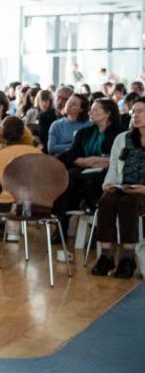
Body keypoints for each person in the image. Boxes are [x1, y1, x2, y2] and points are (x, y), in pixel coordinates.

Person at [91, 100, 145, 279]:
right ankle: (106, 255)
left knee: (128, 202)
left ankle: (128, 257)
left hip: (142, 191)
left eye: (141, 112)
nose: (135, 115)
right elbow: (114, 168)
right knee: (106, 199)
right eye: (134, 112)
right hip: (124, 186)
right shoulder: (123, 138)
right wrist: (109, 184)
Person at [55, 97, 124, 237]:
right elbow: (73, 156)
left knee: (91, 179)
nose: (89, 113)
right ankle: (62, 225)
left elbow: (116, 159)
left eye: (94, 110)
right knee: (68, 180)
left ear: (107, 113)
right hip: (83, 169)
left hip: (109, 172)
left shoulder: (120, 133)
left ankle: (96, 223)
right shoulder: (84, 132)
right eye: (90, 110)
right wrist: (93, 160)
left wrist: (97, 160)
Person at [48, 93, 89, 157]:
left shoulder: (88, 125)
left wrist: (66, 147)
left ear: (81, 109)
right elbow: (51, 149)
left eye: (74, 104)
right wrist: (75, 145)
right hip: (61, 159)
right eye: (68, 101)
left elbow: (87, 146)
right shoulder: (56, 125)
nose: (68, 105)